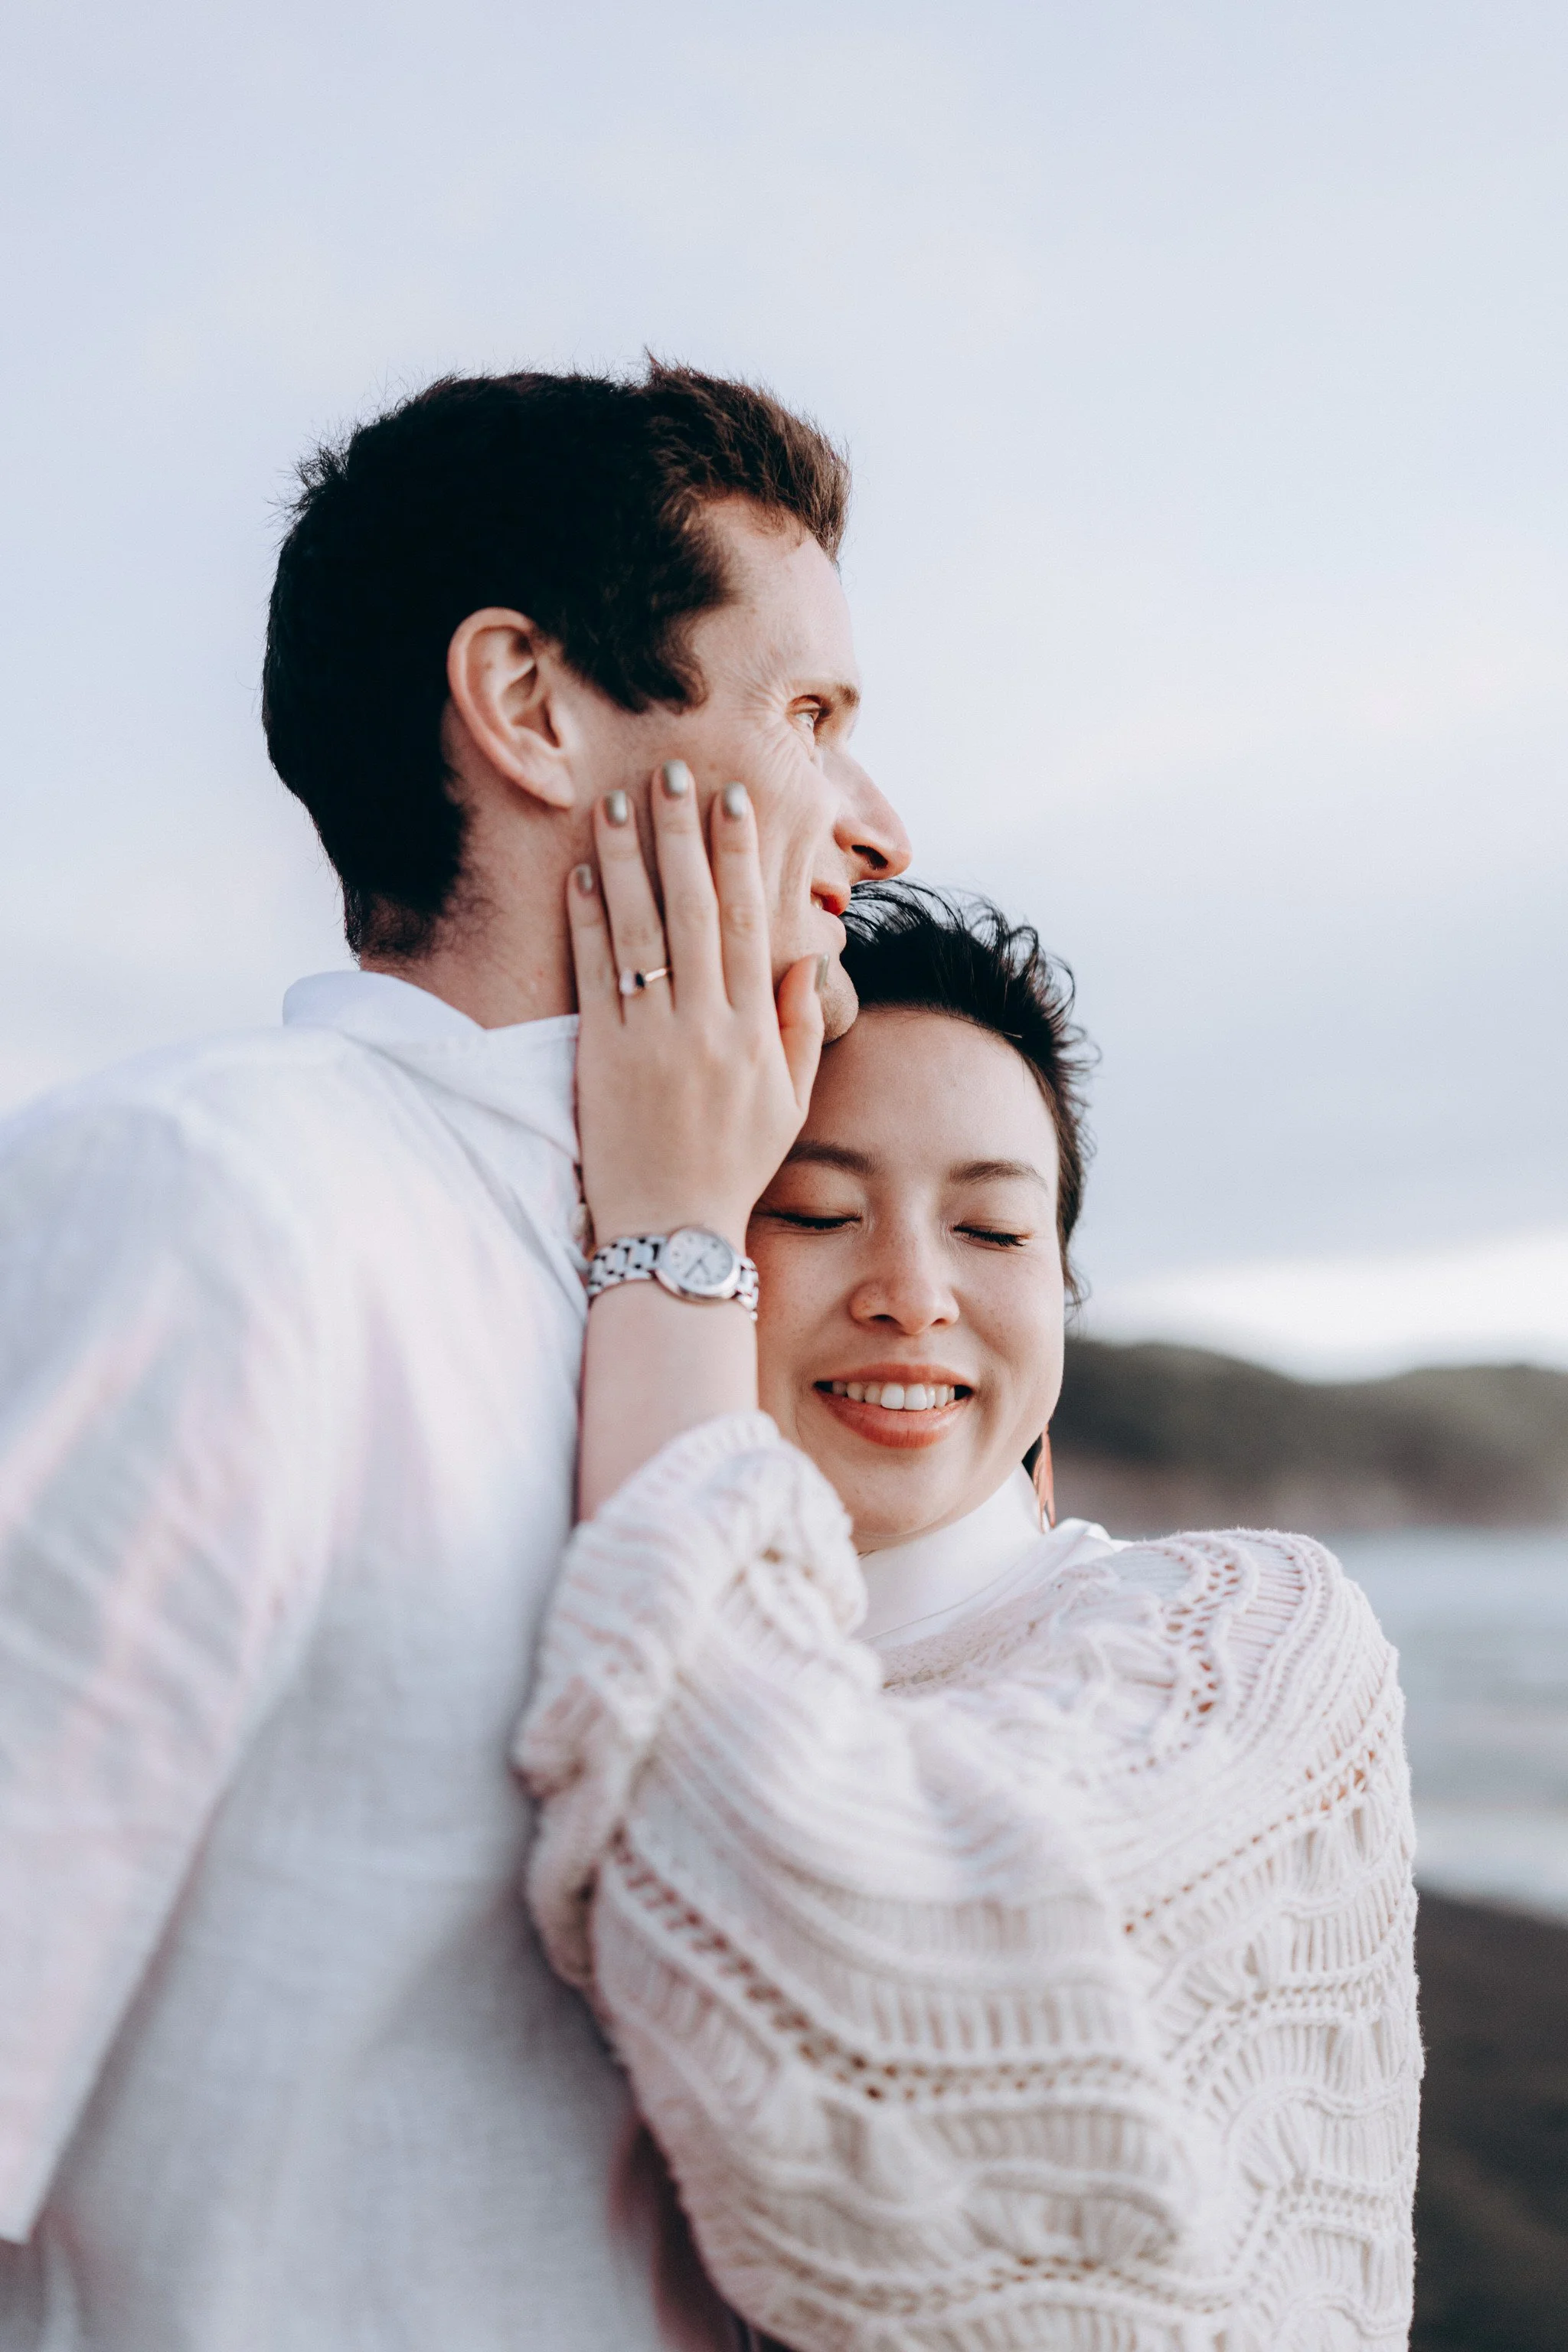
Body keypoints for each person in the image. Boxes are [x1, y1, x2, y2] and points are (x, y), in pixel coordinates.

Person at [0, 363, 909, 2350]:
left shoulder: (723, 1299)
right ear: (533, 709)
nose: (881, 822)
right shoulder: (209, 1200)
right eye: (811, 715)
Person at [518, 825, 1422, 2349]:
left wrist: (674, 1242)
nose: (914, 1292)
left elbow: (858, 1965)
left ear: (1056, 1295)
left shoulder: (1254, 1638)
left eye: (993, 1228)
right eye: (810, 1209)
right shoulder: (554, 1623)